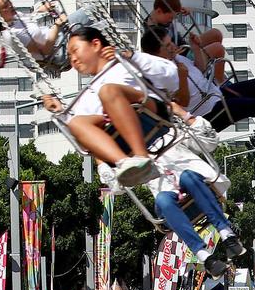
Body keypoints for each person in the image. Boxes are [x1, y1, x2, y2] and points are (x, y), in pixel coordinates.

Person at [42, 27, 184, 188]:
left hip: (150, 111)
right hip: (117, 132)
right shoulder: (86, 95)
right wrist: (60, 112)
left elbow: (171, 76)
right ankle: (125, 162)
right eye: (69, 56)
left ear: (95, 44)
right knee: (76, 123)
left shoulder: (123, 63)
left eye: (75, 51)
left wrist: (132, 56)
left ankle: (141, 156)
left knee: (108, 91)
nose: (73, 59)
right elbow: (84, 141)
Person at [134, 100, 242, 278]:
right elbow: (121, 186)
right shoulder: (133, 157)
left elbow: (209, 143)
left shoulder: (172, 134)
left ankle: (226, 232)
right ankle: (205, 256)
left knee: (188, 176)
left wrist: (182, 113)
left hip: (201, 190)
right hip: (172, 208)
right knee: (163, 200)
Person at [0, 0, 91, 72]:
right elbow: (45, 50)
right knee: (99, 30)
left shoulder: (14, 17)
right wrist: (57, 25)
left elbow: (29, 19)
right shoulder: (11, 35)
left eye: (8, 1)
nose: (10, 5)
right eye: (5, 6)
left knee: (91, 10)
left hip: (61, 34)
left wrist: (40, 10)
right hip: (60, 48)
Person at [142, 0, 227, 84]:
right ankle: (220, 84)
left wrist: (178, 10)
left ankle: (217, 74)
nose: (171, 20)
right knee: (218, 48)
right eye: (170, 18)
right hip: (183, 57)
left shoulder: (159, 14)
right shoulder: (153, 31)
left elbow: (162, 7)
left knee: (216, 33)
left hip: (186, 48)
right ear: (159, 11)